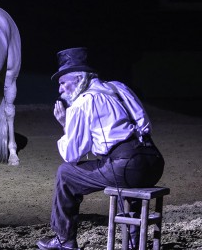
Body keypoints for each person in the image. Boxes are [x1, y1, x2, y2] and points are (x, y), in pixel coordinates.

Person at [36, 47, 165, 250]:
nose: (60, 89)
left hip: (127, 165)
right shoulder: (118, 88)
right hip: (154, 161)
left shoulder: (83, 102)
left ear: (78, 79)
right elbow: (144, 122)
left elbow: (71, 154)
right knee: (120, 174)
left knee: (66, 173)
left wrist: (65, 124)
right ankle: (132, 242)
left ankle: (64, 239)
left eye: (63, 83)